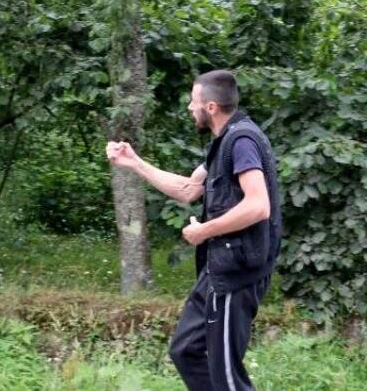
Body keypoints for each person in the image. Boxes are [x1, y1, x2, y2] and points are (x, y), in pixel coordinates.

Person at [106, 69, 281, 391]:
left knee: (226, 376)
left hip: (237, 273)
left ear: (211, 106)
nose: (189, 107)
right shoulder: (223, 143)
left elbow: (258, 206)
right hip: (217, 271)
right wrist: (135, 163)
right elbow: (188, 189)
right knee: (186, 350)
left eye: (193, 101)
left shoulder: (241, 141)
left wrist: (205, 231)